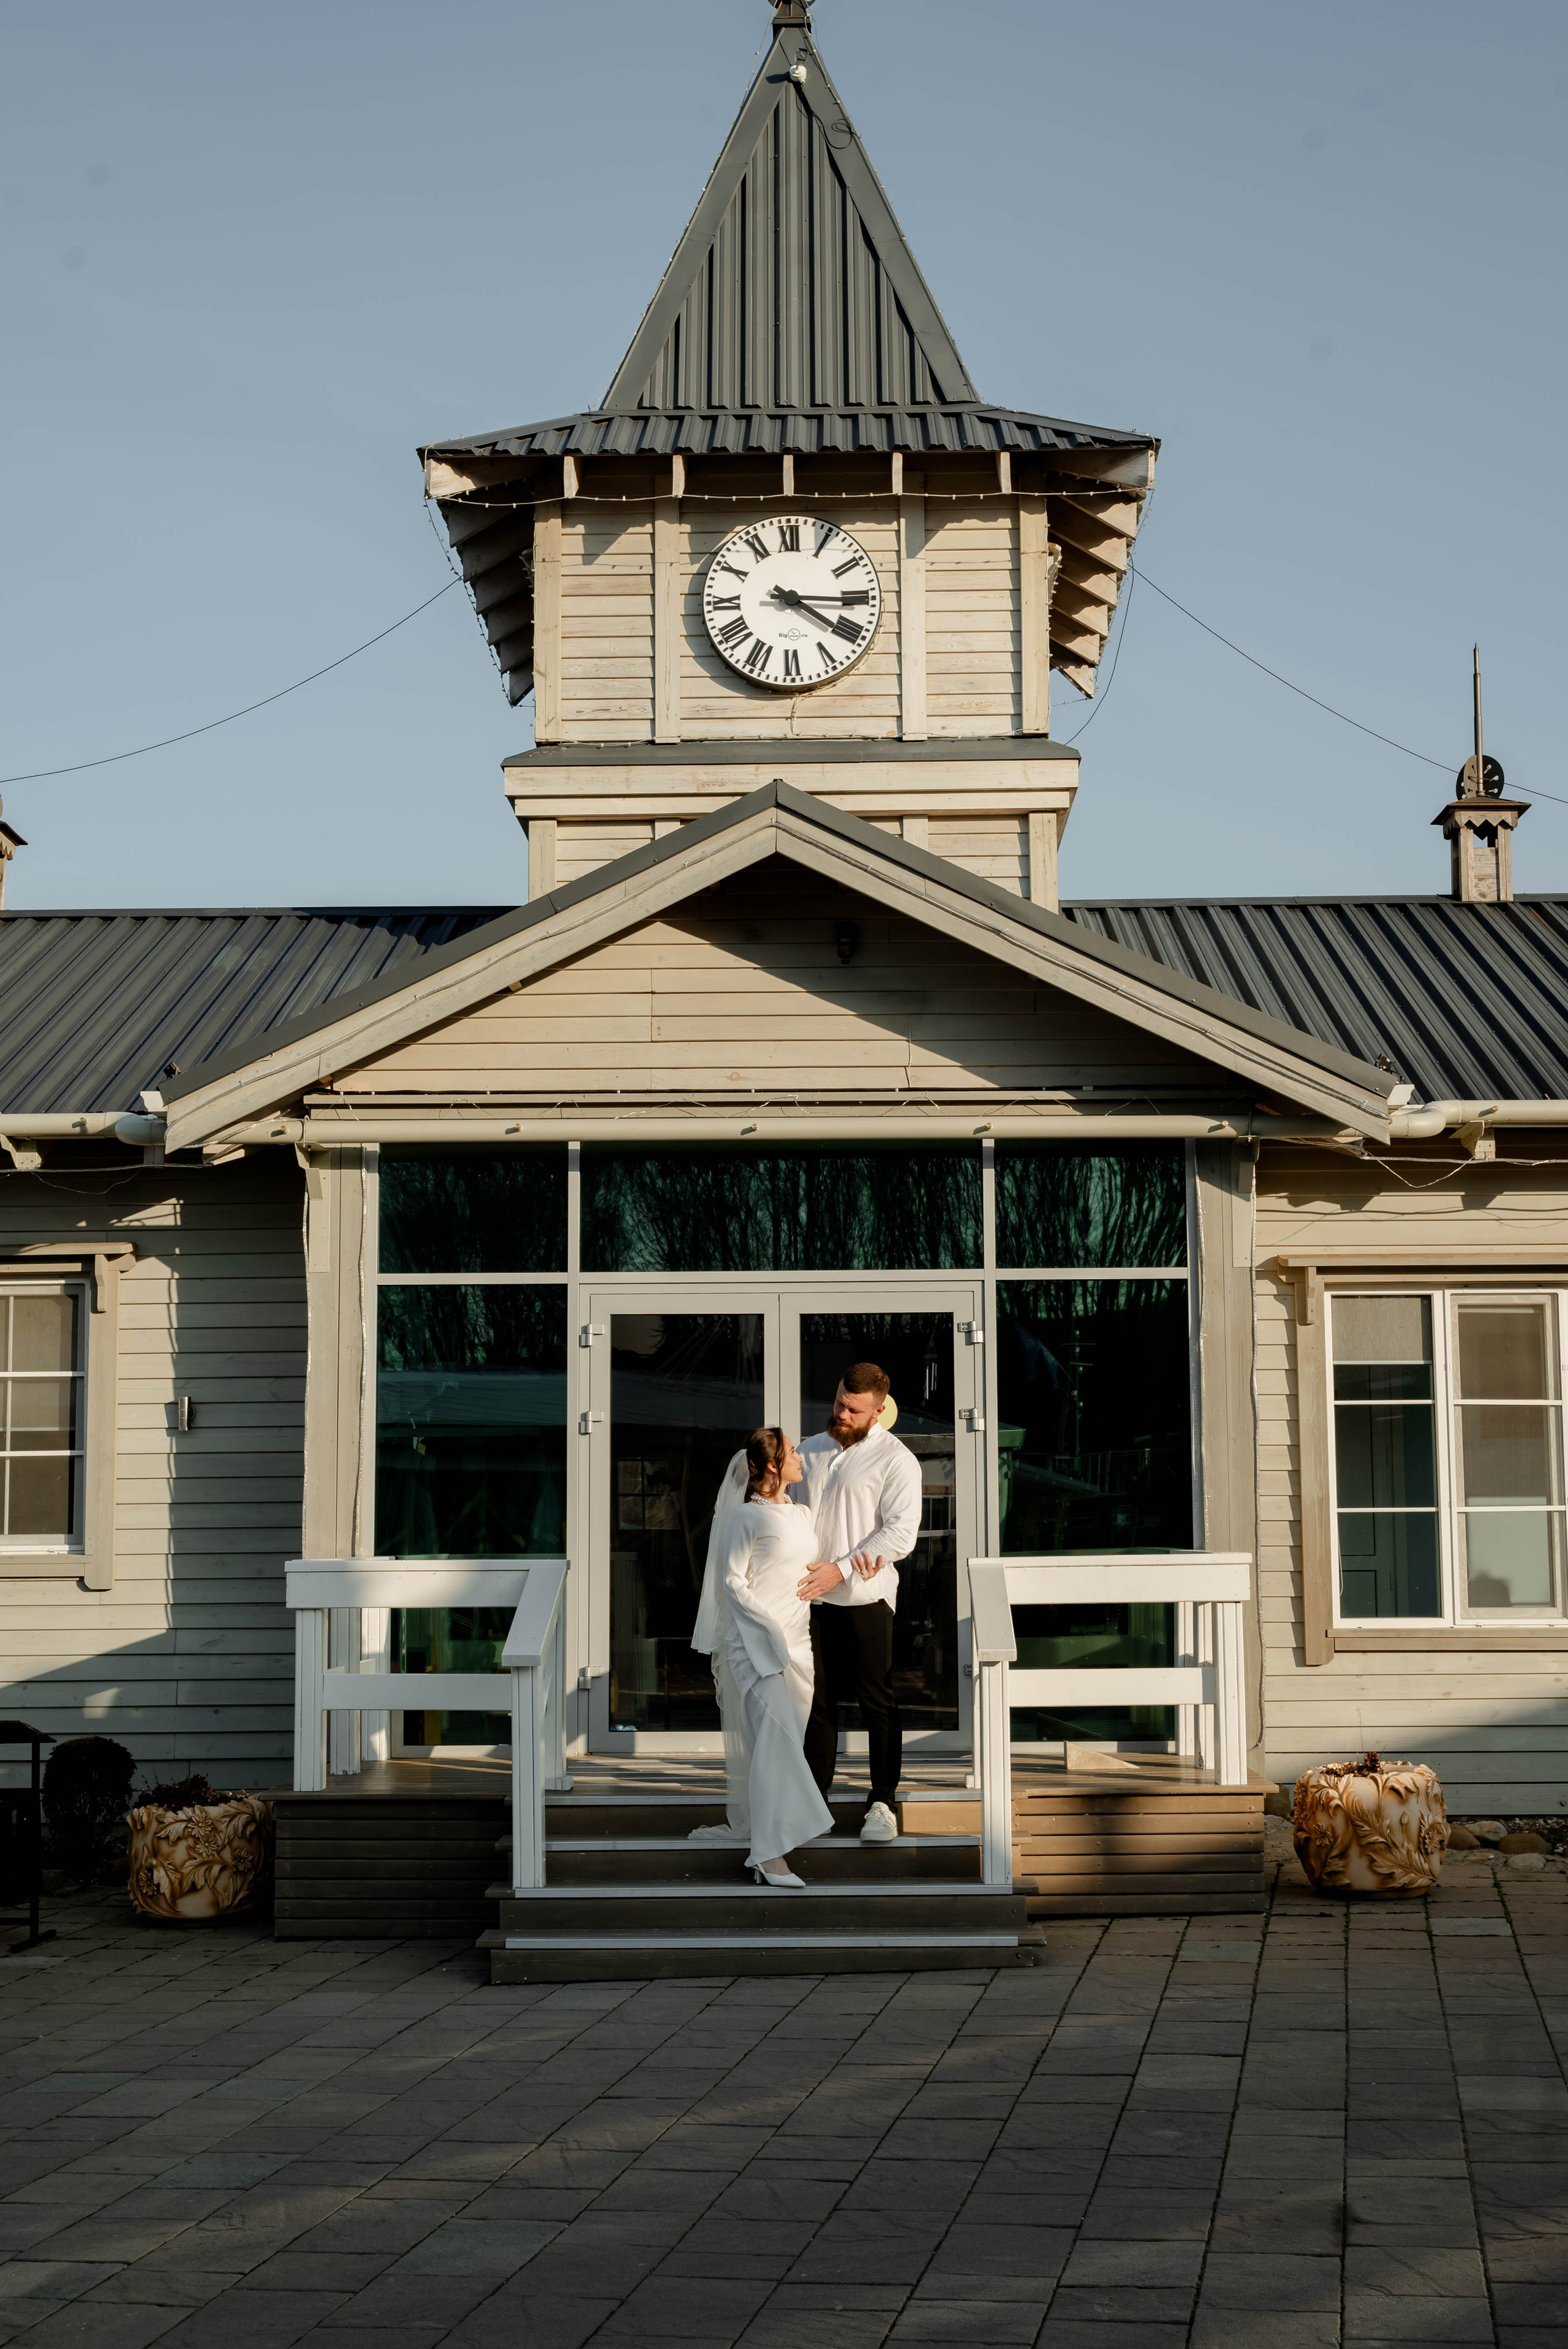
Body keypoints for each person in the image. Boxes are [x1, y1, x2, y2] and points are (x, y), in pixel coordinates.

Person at [689, 1427, 835, 1887]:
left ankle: (773, 1838)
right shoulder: (745, 1517)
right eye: (793, 1452)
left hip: (799, 1644)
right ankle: (769, 1857)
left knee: (786, 1745)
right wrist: (768, 1628)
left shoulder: (803, 1513)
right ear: (773, 1464)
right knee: (774, 1746)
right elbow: (732, 1581)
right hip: (756, 1644)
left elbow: (806, 1569)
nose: (801, 1458)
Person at [796, 1362, 924, 1844]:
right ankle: (813, 1803)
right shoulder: (810, 1450)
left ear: (879, 1409)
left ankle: (883, 1804)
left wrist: (843, 1567)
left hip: (867, 1597)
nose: (842, 1414)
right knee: (816, 1701)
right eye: (839, 1403)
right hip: (811, 1599)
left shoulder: (897, 1461)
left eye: (853, 1409)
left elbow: (900, 1532)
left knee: (877, 1699)